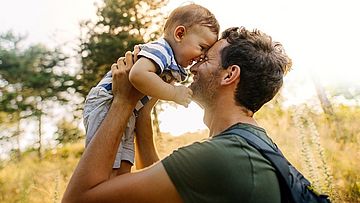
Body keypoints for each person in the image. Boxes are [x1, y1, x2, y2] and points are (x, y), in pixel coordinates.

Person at [63, 27, 292, 203]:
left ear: (229, 75)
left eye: (204, 59)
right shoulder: (253, 145)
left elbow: (78, 200)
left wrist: (122, 101)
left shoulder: (218, 157)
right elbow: (156, 186)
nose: (191, 68)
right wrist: (142, 109)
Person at [82, 3, 219, 175]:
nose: (201, 56)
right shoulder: (161, 50)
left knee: (125, 163)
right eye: (202, 48)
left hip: (130, 110)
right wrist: (173, 93)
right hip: (106, 102)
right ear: (180, 34)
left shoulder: (173, 65)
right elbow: (137, 75)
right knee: (106, 165)